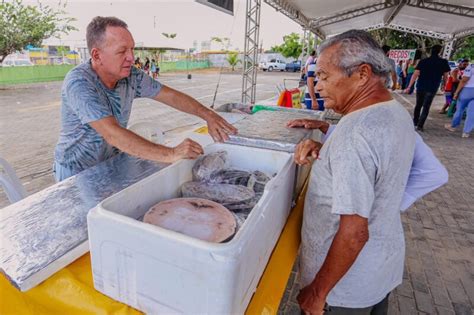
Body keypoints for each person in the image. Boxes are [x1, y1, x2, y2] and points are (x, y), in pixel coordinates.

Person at [293, 30, 416, 315]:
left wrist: (318, 293)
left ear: (362, 74)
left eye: (324, 76)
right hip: (378, 271)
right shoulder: (392, 111)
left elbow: (354, 232)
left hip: (342, 290)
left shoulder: (355, 133)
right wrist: (327, 149)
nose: (318, 86)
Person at [53, 16, 236, 181]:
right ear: (96, 55)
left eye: (132, 49)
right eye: (122, 51)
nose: (131, 58)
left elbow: (170, 96)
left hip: (108, 163)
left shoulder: (131, 75)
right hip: (76, 170)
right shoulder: (79, 82)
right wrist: (171, 153)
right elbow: (112, 134)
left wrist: (208, 115)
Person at [287, 118, 448, 211]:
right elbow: (356, 147)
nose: (320, 85)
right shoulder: (367, 117)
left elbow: (435, 174)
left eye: (325, 77)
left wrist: (388, 204)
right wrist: (325, 128)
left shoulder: (393, 128)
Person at [405, 45, 450, 131]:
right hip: (432, 86)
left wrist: (409, 86)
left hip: (421, 85)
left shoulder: (423, 61)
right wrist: (444, 85)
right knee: (426, 106)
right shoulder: (443, 62)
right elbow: (445, 76)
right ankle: (420, 125)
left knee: (418, 105)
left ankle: (415, 122)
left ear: (431, 51)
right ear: (440, 51)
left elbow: (416, 74)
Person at [445, 60, 474, 138]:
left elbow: (464, 80)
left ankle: (453, 126)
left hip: (467, 90)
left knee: (460, 109)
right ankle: (466, 132)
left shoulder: (471, 66)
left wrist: (456, 92)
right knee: (472, 112)